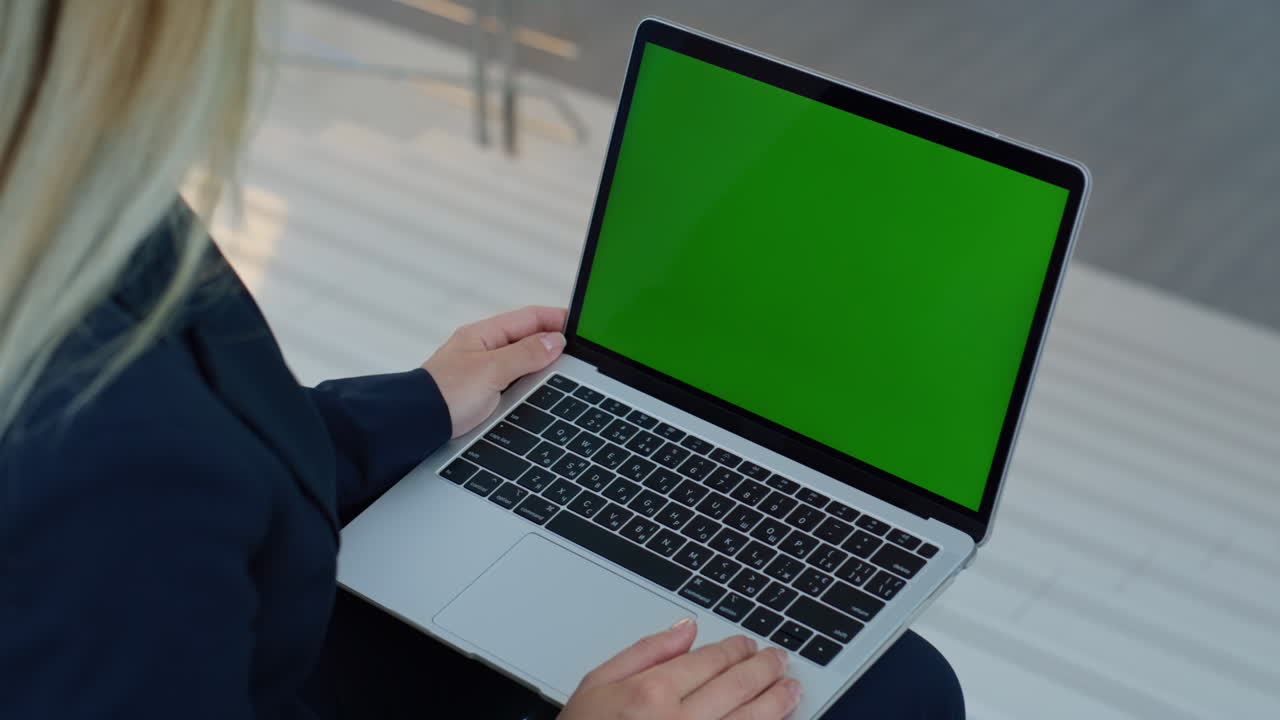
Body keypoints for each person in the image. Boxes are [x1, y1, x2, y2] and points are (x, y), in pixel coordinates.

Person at [0, 2, 963, 719]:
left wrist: (410, 407)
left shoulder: (64, 194)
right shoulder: (98, 477)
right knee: (888, 697)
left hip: (254, 618)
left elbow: (211, 445)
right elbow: (157, 487)